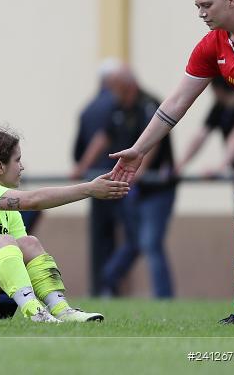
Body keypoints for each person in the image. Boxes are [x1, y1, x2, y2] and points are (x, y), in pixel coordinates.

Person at [109, 0, 234, 325]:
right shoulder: (215, 44)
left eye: (206, 4)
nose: (201, 13)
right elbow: (176, 103)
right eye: (197, 6)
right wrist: (139, 149)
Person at [0, 130, 127, 321]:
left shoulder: (4, 207)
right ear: (0, 166)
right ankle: (36, 313)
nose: (21, 167)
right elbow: (34, 200)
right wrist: (89, 189)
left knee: (28, 243)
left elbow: (22, 254)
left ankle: (62, 310)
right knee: (4, 242)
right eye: (17, 160)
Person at [99, 66, 177, 298]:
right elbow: (103, 137)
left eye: (116, 89)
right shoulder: (119, 107)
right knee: (134, 241)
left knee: (150, 242)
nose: (113, 94)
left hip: (156, 189)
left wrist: (138, 171)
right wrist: (81, 167)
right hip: (131, 188)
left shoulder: (149, 104)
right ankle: (108, 281)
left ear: (128, 86)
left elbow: (153, 141)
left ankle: (164, 298)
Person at [70, 59, 123, 295]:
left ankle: (99, 287)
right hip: (119, 176)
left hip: (94, 178)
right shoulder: (119, 104)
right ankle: (110, 285)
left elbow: (78, 150)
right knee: (127, 235)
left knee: (99, 236)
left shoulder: (88, 108)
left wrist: (83, 168)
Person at [177, 76, 234, 197]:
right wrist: (180, 165)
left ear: (217, 90)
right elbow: (200, 136)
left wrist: (221, 167)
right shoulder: (219, 107)